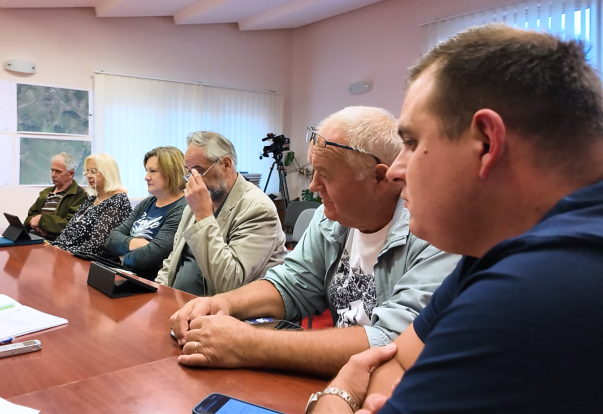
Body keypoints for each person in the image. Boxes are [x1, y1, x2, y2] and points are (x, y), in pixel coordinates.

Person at [309, 25, 603, 414]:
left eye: (411, 143)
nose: (395, 171)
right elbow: (396, 361)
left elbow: (371, 376)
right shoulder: (497, 251)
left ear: (486, 143)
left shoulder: (539, 287)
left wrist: (334, 397)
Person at [170, 108, 457, 377]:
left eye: (326, 175)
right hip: (342, 378)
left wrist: (247, 344)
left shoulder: (436, 234)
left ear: (380, 178)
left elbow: (396, 342)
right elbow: (291, 284)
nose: (313, 186)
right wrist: (222, 303)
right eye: (313, 171)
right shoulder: (330, 218)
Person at [156, 132, 286, 296]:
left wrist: (203, 216)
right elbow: (172, 262)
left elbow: (229, 283)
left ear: (225, 165)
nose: (192, 181)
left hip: (220, 309)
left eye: (198, 171)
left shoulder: (258, 208)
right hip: (177, 302)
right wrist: (157, 294)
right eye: (189, 173)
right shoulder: (194, 205)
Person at [103, 146, 187, 279]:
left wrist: (124, 257)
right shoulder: (147, 202)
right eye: (147, 171)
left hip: (152, 283)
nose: (146, 177)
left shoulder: (183, 207)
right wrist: (138, 244)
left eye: (153, 171)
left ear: (172, 172)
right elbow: (112, 239)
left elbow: (151, 256)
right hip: (127, 276)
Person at [51, 153, 132, 258]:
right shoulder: (92, 199)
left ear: (108, 172)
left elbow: (99, 244)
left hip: (92, 261)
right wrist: (56, 247)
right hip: (71, 256)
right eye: (87, 172)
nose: (88, 175)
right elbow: (67, 231)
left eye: (93, 171)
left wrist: (68, 253)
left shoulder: (118, 200)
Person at [24, 153, 88, 239]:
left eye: (58, 171)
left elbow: (72, 225)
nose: (53, 175)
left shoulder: (80, 195)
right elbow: (30, 216)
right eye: (52, 170)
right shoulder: (45, 193)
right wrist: (35, 224)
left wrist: (41, 221)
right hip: (34, 237)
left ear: (71, 173)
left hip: (56, 242)